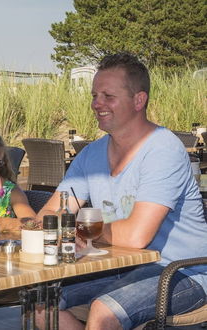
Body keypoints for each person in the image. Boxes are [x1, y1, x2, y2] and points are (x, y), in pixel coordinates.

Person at [36, 53, 207, 330]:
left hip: (181, 270)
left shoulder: (163, 149)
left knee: (104, 312)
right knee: (41, 304)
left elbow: (136, 236)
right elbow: (53, 212)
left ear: (139, 101)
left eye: (108, 96)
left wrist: (78, 231)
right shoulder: (91, 155)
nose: (96, 104)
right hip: (116, 267)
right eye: (94, 95)